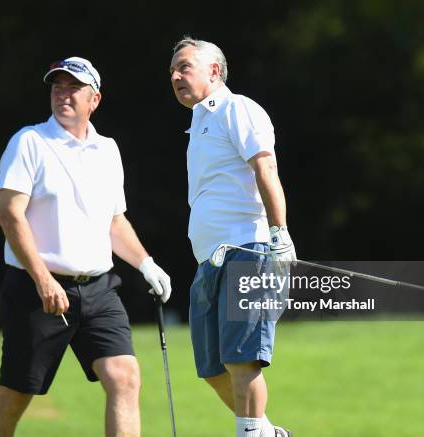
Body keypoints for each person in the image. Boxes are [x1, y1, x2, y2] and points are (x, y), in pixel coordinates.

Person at [0, 56, 172, 437]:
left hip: (99, 289)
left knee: (125, 376)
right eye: (57, 87)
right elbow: (10, 217)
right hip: (37, 290)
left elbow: (114, 222)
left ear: (94, 100)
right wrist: (43, 280)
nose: (63, 95)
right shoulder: (29, 142)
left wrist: (146, 264)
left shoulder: (108, 150)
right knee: (16, 394)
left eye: (73, 88)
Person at [169, 37, 296, 437]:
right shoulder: (198, 121)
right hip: (210, 258)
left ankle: (251, 434)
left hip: (249, 248)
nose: (175, 76)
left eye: (185, 67)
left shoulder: (236, 108)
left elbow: (266, 168)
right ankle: (266, 431)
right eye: (172, 70)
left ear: (214, 71)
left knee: (243, 360)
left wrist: (279, 234)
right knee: (211, 367)